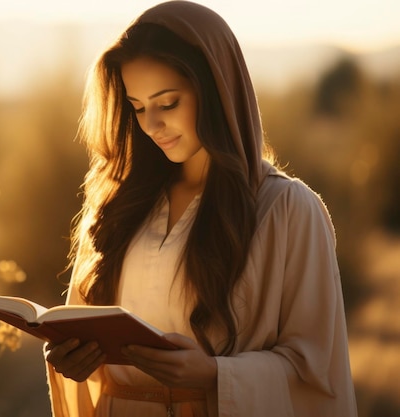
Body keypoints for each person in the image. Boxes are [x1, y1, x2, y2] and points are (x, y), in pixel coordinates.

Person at [44, 1, 358, 416]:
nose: (151, 125)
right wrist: (71, 358)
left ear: (217, 90)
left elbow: (316, 372)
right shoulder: (117, 203)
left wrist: (214, 375)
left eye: (168, 103)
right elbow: (84, 330)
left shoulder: (287, 210)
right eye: (137, 108)